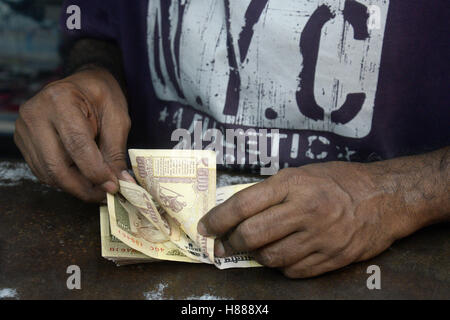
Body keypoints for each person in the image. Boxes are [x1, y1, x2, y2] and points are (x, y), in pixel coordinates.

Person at [14, 0, 449, 278]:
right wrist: (93, 73)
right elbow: (98, 24)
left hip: (385, 259)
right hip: (155, 256)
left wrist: (397, 194)